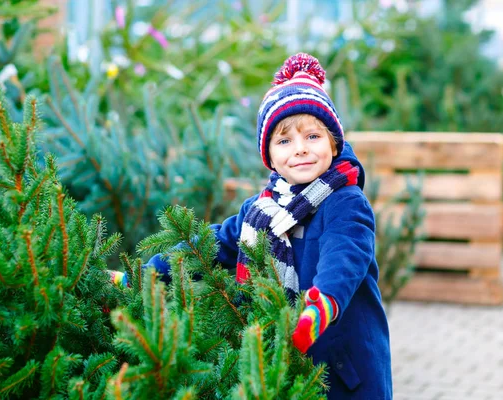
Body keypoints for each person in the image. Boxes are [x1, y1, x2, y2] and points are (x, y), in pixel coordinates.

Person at [112, 53, 392, 399]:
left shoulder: (346, 202)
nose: (300, 150)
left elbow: (344, 259)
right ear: (270, 157)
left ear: (334, 143)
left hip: (343, 371)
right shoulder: (259, 211)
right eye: (285, 141)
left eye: (313, 137)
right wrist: (142, 278)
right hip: (279, 368)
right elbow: (206, 246)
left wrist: (320, 308)